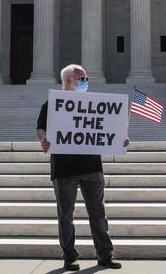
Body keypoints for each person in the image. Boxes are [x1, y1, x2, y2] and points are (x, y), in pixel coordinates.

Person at [36, 64, 125, 271]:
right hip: (64, 168)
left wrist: (120, 139)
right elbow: (40, 128)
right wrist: (44, 140)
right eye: (81, 78)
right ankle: (69, 257)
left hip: (92, 166)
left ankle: (105, 255)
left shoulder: (95, 103)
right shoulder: (52, 104)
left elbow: (109, 128)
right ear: (68, 80)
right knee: (66, 215)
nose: (85, 82)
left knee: (98, 214)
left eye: (85, 78)